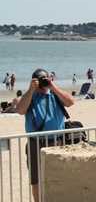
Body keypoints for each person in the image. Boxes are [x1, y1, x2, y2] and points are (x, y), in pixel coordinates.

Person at [16, 68, 74, 202]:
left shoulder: (55, 95)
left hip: (57, 141)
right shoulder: (29, 97)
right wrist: (31, 90)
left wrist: (52, 86)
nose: (43, 83)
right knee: (36, 179)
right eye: (40, 80)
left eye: (44, 79)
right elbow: (20, 110)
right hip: (35, 143)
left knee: (59, 176)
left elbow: (70, 102)